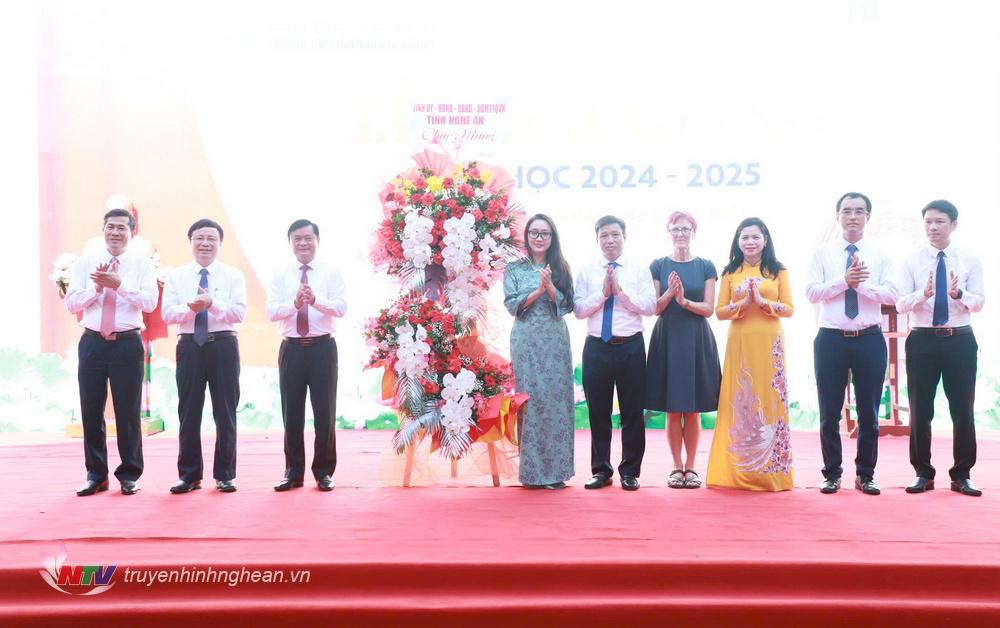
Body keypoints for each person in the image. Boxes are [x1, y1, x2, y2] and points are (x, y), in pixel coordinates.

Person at [805, 193, 898, 496]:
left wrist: (862, 285)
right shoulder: (823, 253)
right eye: (847, 211)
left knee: (869, 412)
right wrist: (844, 281)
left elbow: (893, 296)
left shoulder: (882, 253)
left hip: (869, 338)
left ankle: (865, 474)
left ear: (868, 217)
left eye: (859, 211)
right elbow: (811, 293)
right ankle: (831, 473)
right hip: (830, 338)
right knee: (829, 411)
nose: (853, 217)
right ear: (837, 216)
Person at [65, 208, 157, 496]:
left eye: (122, 228)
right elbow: (71, 304)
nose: (115, 233)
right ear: (102, 229)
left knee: (128, 412)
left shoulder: (141, 265)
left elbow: (151, 302)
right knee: (91, 410)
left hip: (127, 343)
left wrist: (119, 286)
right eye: (110, 227)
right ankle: (96, 475)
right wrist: (96, 289)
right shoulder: (85, 263)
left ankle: (129, 474)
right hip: (92, 342)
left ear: (131, 233)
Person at [896, 200, 985, 497]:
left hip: (959, 338)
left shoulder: (969, 259)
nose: (933, 228)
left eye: (939, 222)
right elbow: (900, 303)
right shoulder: (912, 260)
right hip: (922, 339)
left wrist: (958, 293)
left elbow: (979, 301)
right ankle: (923, 473)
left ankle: (962, 474)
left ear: (953, 225)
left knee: (963, 409)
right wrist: (924, 294)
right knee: (921, 409)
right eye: (928, 222)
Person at [706, 217, 795, 491]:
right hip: (741, 340)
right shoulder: (730, 272)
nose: (750, 242)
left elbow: (789, 308)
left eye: (755, 237)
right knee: (740, 399)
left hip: (769, 342)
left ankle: (771, 472)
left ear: (765, 240)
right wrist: (742, 304)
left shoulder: (777, 270)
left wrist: (764, 303)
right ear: (738, 242)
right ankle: (738, 469)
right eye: (744, 238)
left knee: (769, 397)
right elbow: (720, 311)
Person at [162, 219, 247, 494]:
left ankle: (225, 474)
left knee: (225, 411)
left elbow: (239, 314)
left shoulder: (233, 275)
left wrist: (213, 304)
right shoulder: (176, 276)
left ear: (220, 243)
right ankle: (189, 475)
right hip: (189, 345)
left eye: (211, 238)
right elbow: (167, 314)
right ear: (190, 243)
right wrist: (192, 308)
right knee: (188, 412)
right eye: (199, 238)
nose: (205, 243)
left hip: (223, 344)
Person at [574, 215, 656, 491]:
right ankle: (601, 470)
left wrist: (620, 293)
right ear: (597, 239)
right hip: (596, 346)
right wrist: (603, 294)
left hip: (630, 345)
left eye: (615, 235)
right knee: (598, 411)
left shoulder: (638, 269)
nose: (610, 240)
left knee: (633, 411)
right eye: (604, 236)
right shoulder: (587, 270)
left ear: (624, 237)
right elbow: (579, 310)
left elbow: (649, 306)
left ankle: (630, 471)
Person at [267, 219, 346, 492]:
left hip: (323, 347)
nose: (303, 243)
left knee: (325, 411)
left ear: (317, 240)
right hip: (292, 348)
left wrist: (315, 301)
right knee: (292, 413)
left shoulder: (331, 272)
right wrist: (294, 304)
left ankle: (323, 472)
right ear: (290, 243)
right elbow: (271, 311)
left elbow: (341, 307)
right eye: (297, 238)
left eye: (308, 238)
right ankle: (293, 472)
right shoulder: (280, 274)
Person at [644, 211, 720, 489]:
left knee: (693, 409)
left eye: (685, 229)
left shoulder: (706, 266)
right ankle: (676, 466)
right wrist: (669, 295)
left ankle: (692, 467)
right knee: (673, 408)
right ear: (668, 232)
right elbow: (654, 307)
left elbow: (709, 309)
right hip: (668, 337)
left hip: (696, 337)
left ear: (694, 232)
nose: (680, 233)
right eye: (675, 229)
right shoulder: (658, 265)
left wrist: (684, 300)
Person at [503, 214, 576, 489]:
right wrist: (538, 290)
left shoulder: (560, 267)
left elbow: (568, 306)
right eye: (534, 232)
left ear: (552, 237)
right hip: (526, 342)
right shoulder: (514, 269)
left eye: (544, 233)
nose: (539, 237)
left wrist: (551, 288)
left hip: (555, 342)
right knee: (531, 403)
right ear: (527, 236)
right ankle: (532, 475)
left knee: (556, 402)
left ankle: (556, 473)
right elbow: (512, 306)